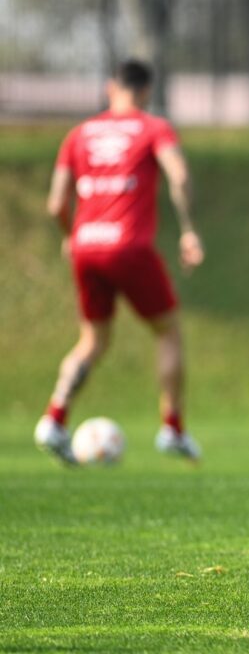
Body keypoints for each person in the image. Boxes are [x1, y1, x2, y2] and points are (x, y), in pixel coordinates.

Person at [34, 59, 204, 465]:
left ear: (111, 88)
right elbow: (178, 176)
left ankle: (53, 420)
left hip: (87, 247)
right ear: (145, 91)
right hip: (129, 248)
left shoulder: (79, 134)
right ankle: (173, 429)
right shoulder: (153, 128)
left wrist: (69, 238)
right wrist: (188, 228)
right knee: (167, 331)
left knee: (92, 340)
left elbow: (57, 202)